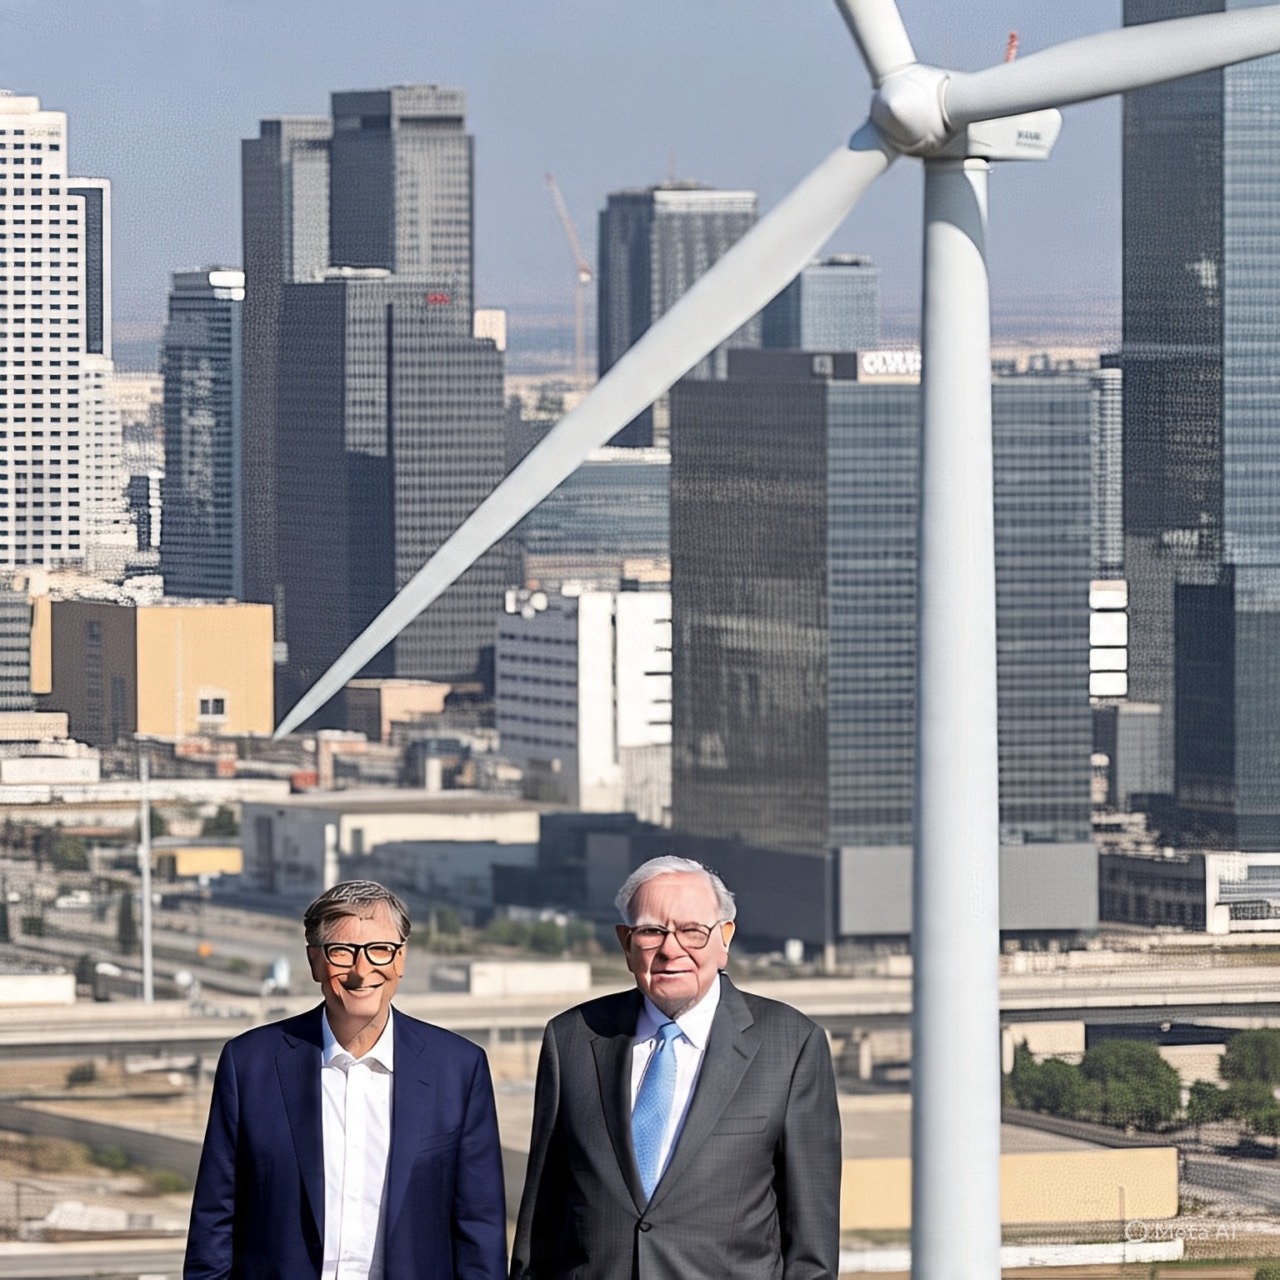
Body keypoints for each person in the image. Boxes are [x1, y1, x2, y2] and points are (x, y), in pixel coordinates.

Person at [511, 856, 840, 1279]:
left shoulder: (791, 1045)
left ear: (724, 938)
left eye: (692, 931)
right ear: (626, 942)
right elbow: (541, 1221)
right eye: (652, 931)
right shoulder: (571, 1038)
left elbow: (811, 1250)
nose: (671, 949)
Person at [184, 880, 507, 1280]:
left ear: (401, 959)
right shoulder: (249, 1064)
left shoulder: (459, 1069)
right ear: (315, 961)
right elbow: (214, 1222)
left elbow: (480, 1232)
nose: (361, 970)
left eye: (380, 949)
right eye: (342, 951)